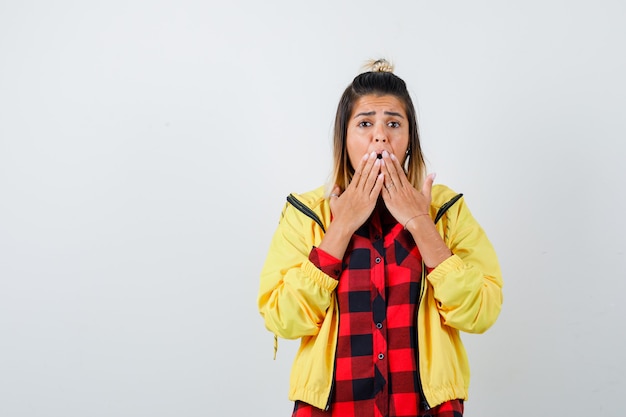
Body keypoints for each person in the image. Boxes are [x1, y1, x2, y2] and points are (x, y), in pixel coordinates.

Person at [258, 59, 503, 417]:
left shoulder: (446, 210)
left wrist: (421, 223)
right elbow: (282, 318)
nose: (380, 135)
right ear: (345, 136)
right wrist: (341, 228)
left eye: (393, 123)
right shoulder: (306, 213)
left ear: (409, 138)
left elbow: (481, 311)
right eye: (365, 123)